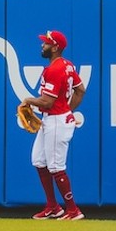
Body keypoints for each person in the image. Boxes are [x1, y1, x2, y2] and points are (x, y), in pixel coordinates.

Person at [22, 29, 86, 220]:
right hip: (53, 118)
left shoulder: (55, 69)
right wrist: (68, 109)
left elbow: (48, 102)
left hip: (56, 120)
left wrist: (28, 100)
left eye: (46, 43)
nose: (43, 45)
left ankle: (73, 210)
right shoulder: (67, 65)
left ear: (56, 47)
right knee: (38, 160)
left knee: (56, 166)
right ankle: (53, 206)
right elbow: (80, 90)